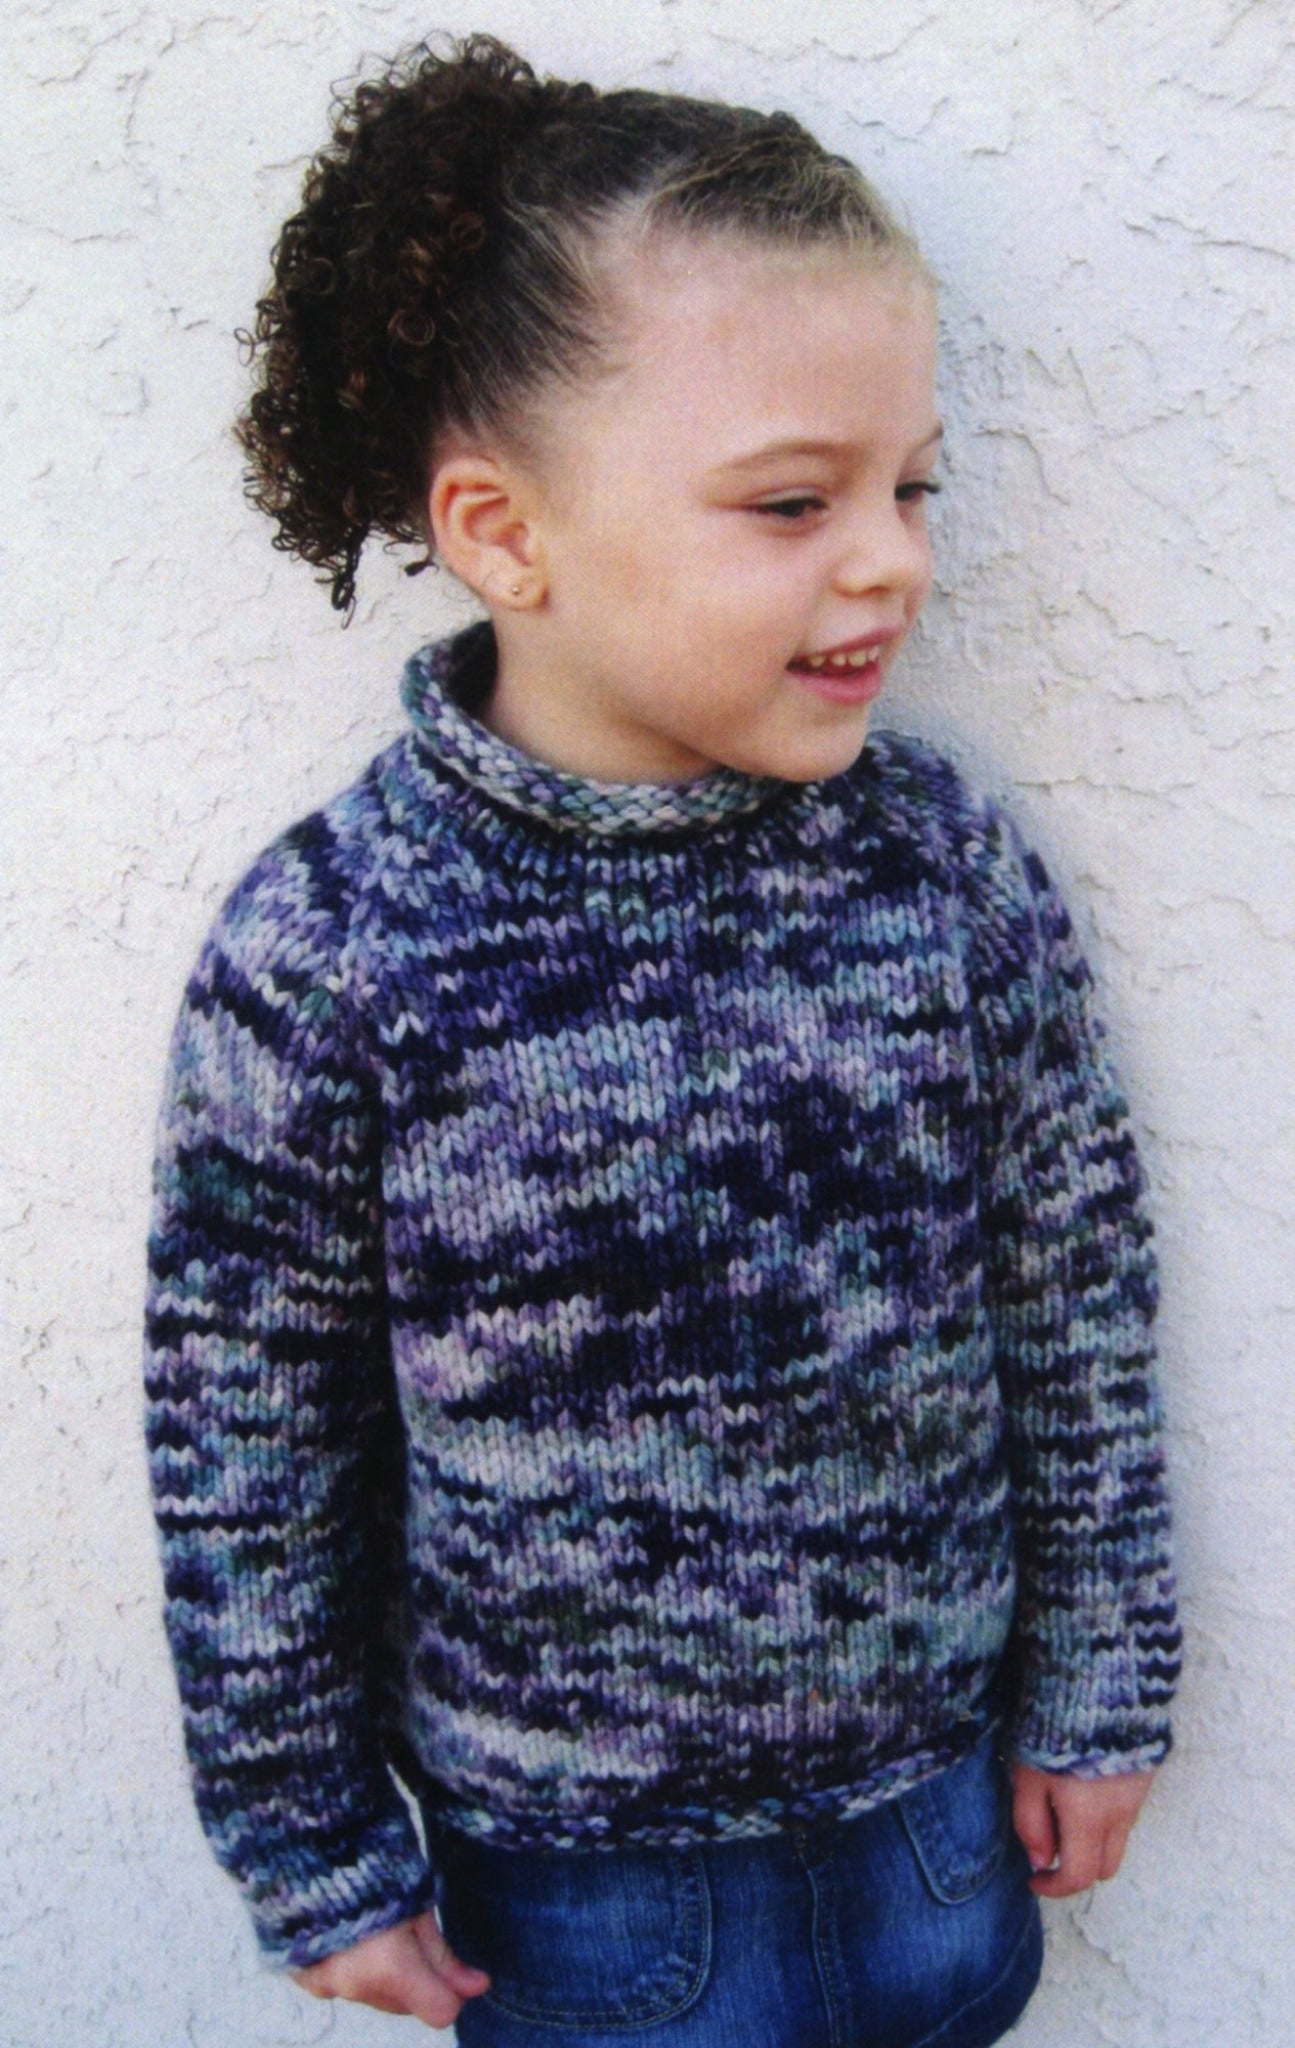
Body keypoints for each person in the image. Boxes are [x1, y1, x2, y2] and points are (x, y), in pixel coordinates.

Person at [143, 31, 1181, 2048]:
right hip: (584, 1899)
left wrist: (1102, 1686)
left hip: (943, 1834)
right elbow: (246, 1445)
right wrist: (308, 1845)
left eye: (909, 485)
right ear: (505, 531)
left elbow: (1077, 1300)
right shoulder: (333, 950)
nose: (890, 555)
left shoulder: (946, 872)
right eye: (793, 500)